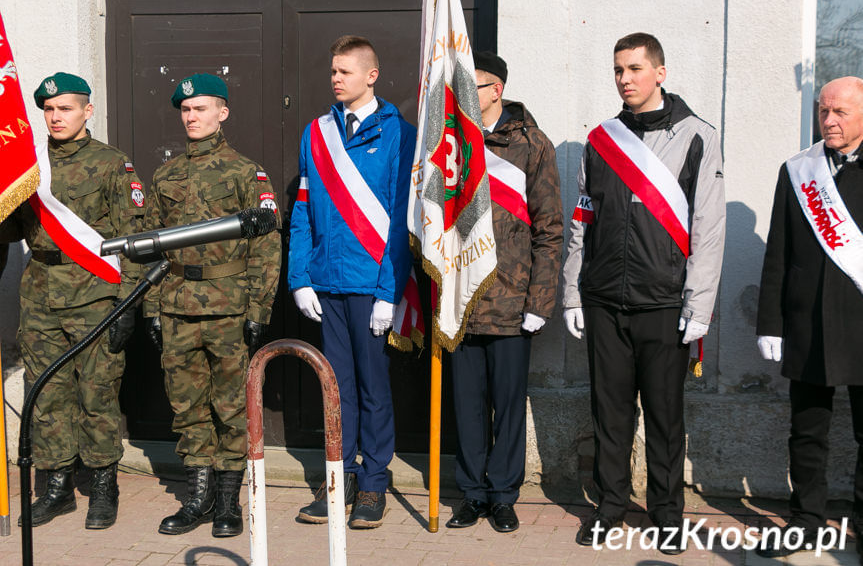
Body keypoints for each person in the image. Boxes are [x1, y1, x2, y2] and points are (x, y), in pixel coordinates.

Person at [560, 33, 725, 554]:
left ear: (660, 72)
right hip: (605, 300)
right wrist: (572, 291)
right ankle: (610, 508)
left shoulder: (698, 136)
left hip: (665, 304)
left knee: (664, 416)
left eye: (634, 68)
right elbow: (581, 222)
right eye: (617, 70)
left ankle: (667, 516)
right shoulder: (601, 140)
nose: (624, 79)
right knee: (609, 413)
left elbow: (709, 226)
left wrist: (699, 304)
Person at [0, 72, 145, 529]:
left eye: (65, 108)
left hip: (94, 291)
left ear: (87, 110)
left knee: (96, 392)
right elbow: (9, 232)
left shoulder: (111, 164)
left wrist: (130, 302)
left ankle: (104, 486)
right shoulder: (29, 165)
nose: (56, 116)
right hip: (40, 291)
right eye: (48, 109)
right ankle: (57, 487)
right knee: (46, 392)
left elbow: (134, 239)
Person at [144, 73, 281, 537]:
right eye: (185, 110)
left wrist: (259, 309)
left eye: (200, 108)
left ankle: (228, 503)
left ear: (222, 113)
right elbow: (151, 248)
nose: (191, 116)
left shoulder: (247, 173)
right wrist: (151, 309)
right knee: (187, 407)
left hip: (229, 308)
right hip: (177, 305)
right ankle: (197, 499)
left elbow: (266, 245)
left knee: (230, 407)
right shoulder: (165, 175)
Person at [289, 35, 415, 529]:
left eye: (345, 71)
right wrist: (300, 278)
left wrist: (388, 292)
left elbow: (403, 223)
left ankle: (374, 484)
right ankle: (338, 478)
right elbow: (302, 211)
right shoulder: (316, 132)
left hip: (371, 285)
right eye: (333, 71)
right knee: (334, 389)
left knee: (372, 388)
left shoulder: (400, 134)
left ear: (372, 75)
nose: (335, 79)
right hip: (326, 283)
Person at [444, 51, 562, 533]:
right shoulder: (449, 146)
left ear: (497, 89)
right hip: (462, 302)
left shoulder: (531, 144)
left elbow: (551, 229)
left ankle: (503, 493)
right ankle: (472, 493)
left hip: (513, 304)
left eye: (476, 85)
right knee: (467, 406)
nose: (467, 95)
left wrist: (541, 302)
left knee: (508, 406)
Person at [755, 76, 863, 558]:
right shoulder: (800, 170)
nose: (829, 120)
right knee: (808, 429)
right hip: (810, 322)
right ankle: (806, 522)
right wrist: (770, 323)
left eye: (840, 112)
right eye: (823, 111)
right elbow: (777, 252)